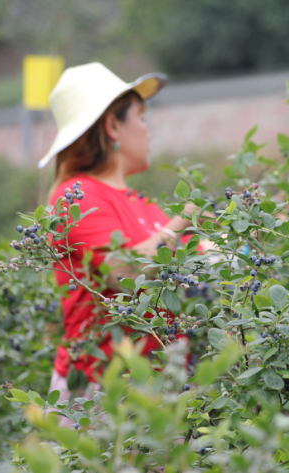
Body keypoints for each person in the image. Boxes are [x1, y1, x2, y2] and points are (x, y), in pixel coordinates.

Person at [40, 63, 203, 410]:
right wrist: (185, 220)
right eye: (141, 117)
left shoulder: (141, 204)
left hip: (158, 386)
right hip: (101, 392)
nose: (148, 129)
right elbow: (123, 272)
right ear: (113, 125)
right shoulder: (76, 196)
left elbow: (201, 256)